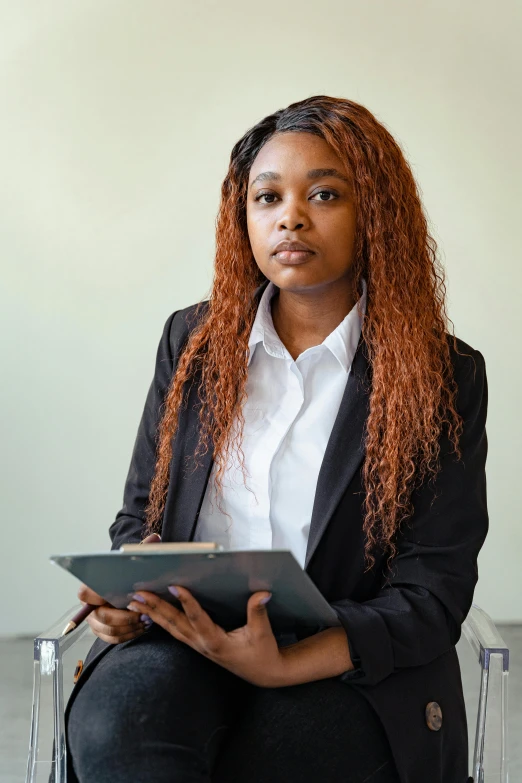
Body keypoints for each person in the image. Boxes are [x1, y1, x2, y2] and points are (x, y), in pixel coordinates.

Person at [64, 95, 487, 783]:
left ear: (374, 212)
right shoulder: (193, 342)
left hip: (342, 659)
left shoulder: (443, 373)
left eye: (325, 193)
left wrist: (286, 661)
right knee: (125, 732)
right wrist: (129, 596)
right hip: (184, 635)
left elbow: (432, 591)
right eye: (267, 196)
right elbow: (140, 517)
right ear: (244, 217)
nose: (290, 215)